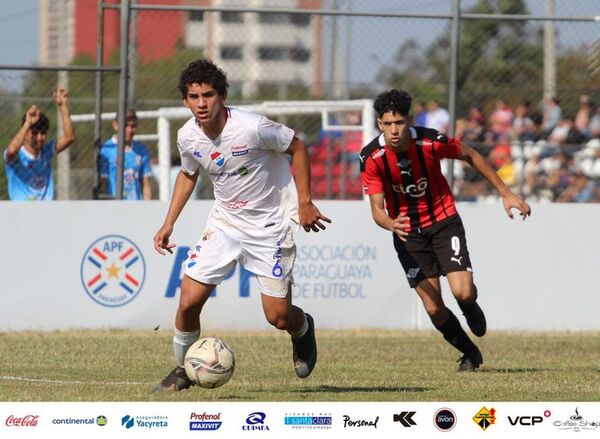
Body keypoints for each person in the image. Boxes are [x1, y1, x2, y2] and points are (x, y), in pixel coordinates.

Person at [152, 59, 331, 391]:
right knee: (188, 301)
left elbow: (298, 147)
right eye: (193, 97)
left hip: (269, 229)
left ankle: (302, 328)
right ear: (184, 101)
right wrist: (168, 223)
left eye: (208, 95)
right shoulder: (188, 136)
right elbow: (188, 174)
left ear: (222, 96)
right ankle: (181, 369)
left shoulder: (252, 127)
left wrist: (304, 202)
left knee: (278, 317)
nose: (201, 103)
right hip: (225, 225)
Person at [359, 89, 531, 372]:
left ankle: (469, 305)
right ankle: (470, 353)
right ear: (379, 123)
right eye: (388, 124)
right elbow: (376, 209)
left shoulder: (428, 141)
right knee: (433, 308)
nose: (394, 130)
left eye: (399, 123)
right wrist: (391, 223)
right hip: (407, 234)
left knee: (462, 293)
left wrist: (505, 193)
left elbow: (470, 154)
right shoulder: (372, 158)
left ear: (410, 121)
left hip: (443, 221)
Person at [3, 89, 75, 200]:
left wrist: (62, 106)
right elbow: (11, 151)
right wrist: (27, 123)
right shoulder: (16, 156)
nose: (40, 137)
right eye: (35, 133)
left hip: (46, 210)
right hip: (21, 212)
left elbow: (69, 137)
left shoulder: (46, 152)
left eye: (43, 133)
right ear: (25, 133)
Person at [98, 109, 153, 200]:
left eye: (133, 126)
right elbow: (103, 183)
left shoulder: (142, 150)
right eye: (126, 125)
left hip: (136, 206)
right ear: (115, 125)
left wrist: (148, 208)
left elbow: (146, 184)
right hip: (114, 206)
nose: (130, 130)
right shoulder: (106, 149)